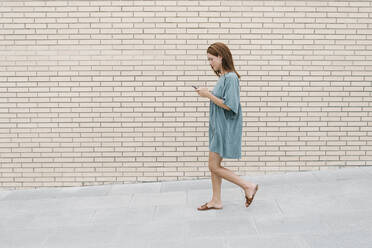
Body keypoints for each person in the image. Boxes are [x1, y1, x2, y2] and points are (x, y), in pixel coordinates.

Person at [195, 42, 258, 210]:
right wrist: (208, 93)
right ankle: (216, 200)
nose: (210, 63)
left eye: (211, 59)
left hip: (224, 128)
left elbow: (231, 105)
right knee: (214, 166)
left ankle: (247, 186)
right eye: (208, 60)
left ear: (221, 57)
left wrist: (208, 94)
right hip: (218, 127)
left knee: (213, 166)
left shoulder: (231, 78)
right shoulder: (223, 77)